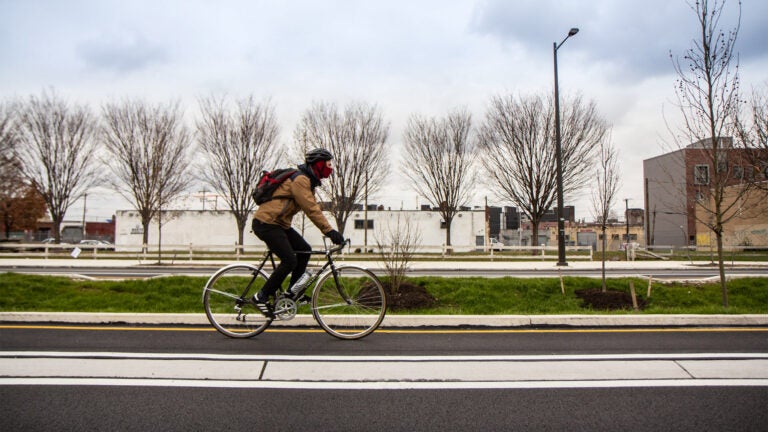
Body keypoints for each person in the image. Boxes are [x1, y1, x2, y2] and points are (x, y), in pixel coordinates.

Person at [251, 148, 345, 311]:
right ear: (319, 164)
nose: (330, 168)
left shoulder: (308, 181)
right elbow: (311, 209)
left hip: (279, 224)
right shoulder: (300, 180)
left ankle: (292, 294)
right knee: (289, 260)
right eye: (328, 164)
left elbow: (313, 208)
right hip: (266, 223)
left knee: (304, 250)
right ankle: (261, 296)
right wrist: (329, 231)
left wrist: (328, 230)